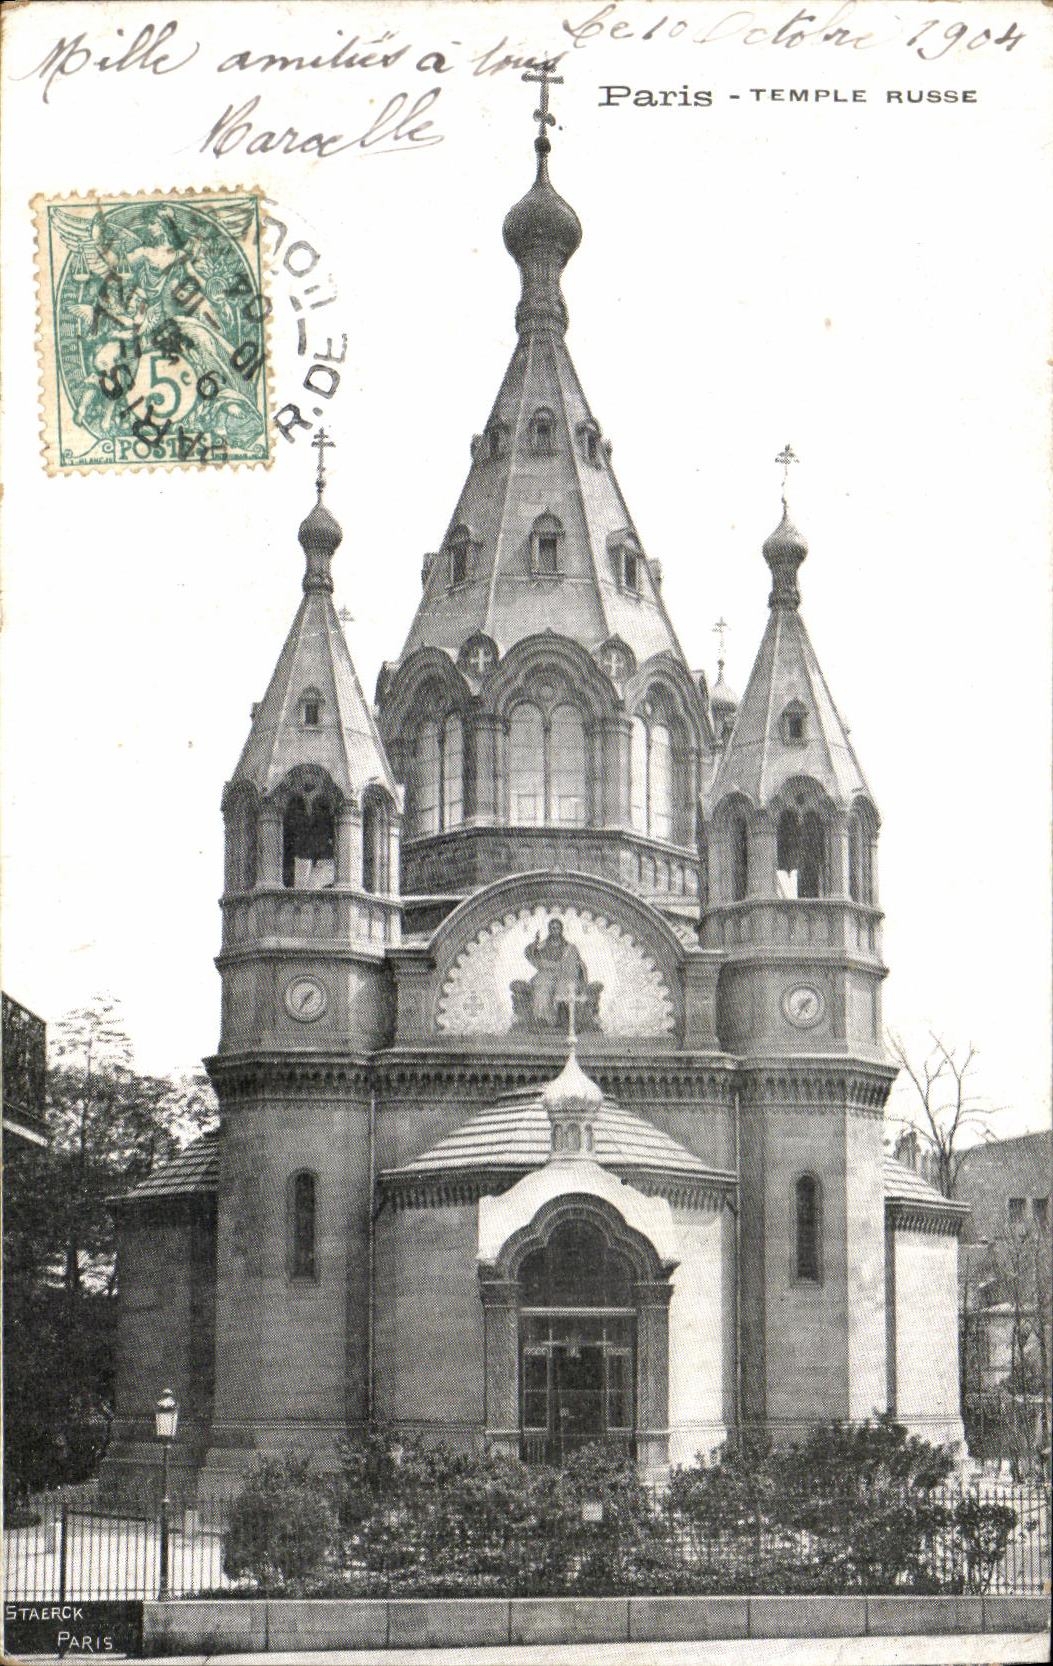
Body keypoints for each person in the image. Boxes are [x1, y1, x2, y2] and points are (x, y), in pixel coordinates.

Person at [524, 919, 587, 1030]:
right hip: (546, 973)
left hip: (563, 974)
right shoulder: (542, 945)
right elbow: (530, 954)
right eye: (552, 928)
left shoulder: (569, 947)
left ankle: (564, 1020)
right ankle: (542, 1020)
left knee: (564, 987)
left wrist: (572, 967)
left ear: (561, 930)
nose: (555, 931)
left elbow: (577, 963)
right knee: (541, 986)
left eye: (557, 928)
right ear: (549, 930)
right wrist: (535, 943)